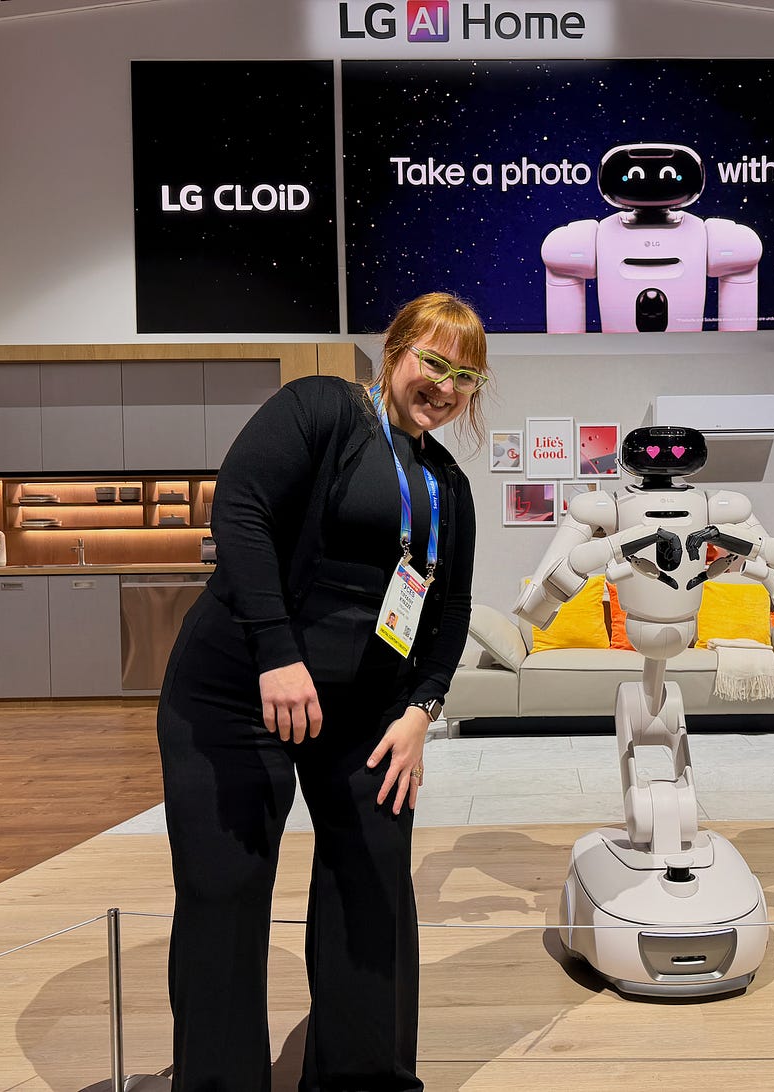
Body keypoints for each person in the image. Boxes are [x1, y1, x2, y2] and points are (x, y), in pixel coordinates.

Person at [157, 292, 489, 1091]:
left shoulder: (446, 485)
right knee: (227, 892)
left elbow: (450, 614)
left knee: (373, 884)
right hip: (238, 690)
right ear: (395, 349)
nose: (444, 387)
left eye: (466, 377)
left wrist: (422, 711)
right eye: (433, 362)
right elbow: (238, 511)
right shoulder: (321, 409)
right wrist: (275, 650)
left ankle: (364, 1077)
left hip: (367, 714)